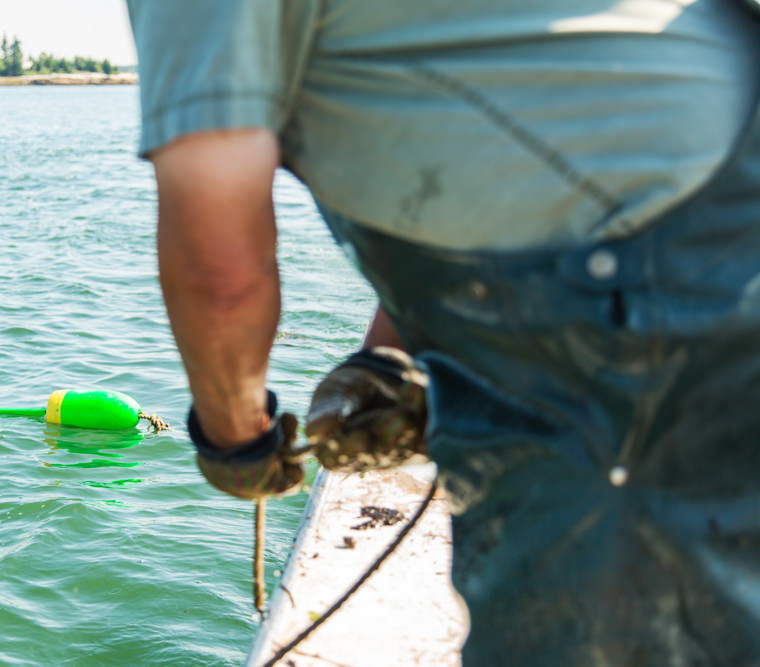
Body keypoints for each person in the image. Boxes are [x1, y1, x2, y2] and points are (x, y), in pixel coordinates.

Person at [125, 1, 760, 664]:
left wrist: (237, 441)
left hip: (653, 281)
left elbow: (217, 268)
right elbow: (499, 106)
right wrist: (388, 357)